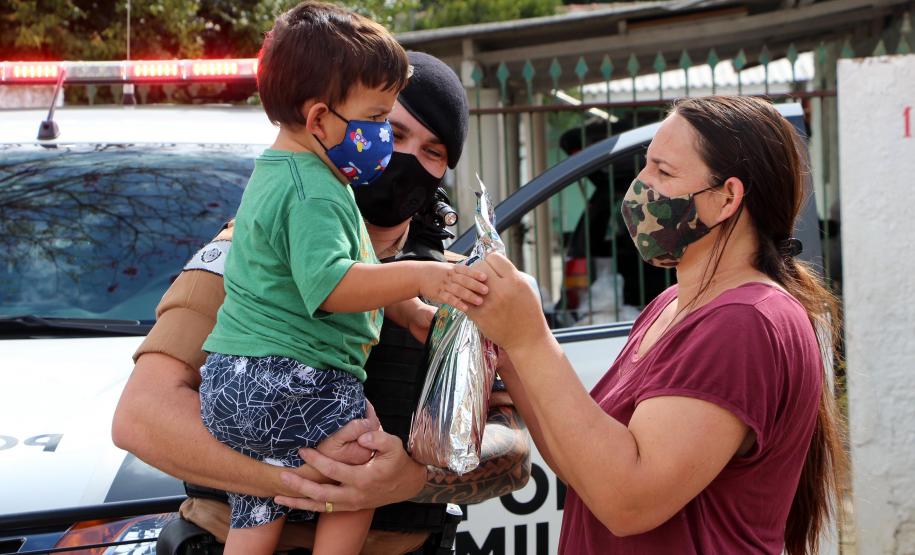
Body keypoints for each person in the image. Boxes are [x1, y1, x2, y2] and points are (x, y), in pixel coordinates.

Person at [279, 96, 847, 555]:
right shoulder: (673, 306)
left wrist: (531, 336)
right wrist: (503, 345)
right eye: (646, 163)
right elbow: (580, 463)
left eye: (662, 171)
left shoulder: (744, 323)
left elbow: (627, 500)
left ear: (727, 199)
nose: (638, 185)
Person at [111, 47, 530, 555]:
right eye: (392, 132)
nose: (407, 160)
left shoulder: (451, 281)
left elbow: (515, 452)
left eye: (434, 151)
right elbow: (141, 417)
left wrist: (409, 478)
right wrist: (297, 479)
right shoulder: (247, 249)